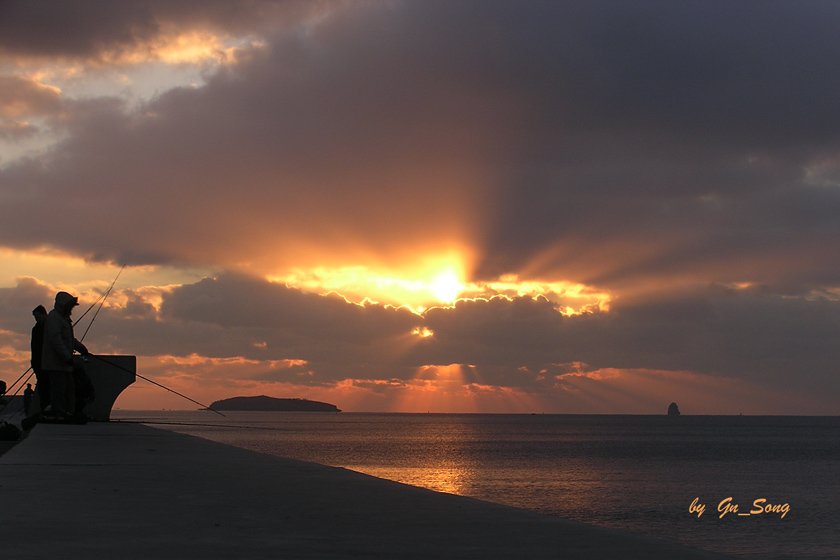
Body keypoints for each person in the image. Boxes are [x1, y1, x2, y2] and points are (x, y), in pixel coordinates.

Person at [41, 292, 89, 421]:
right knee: (59, 389)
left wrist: (81, 348)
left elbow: (69, 339)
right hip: (56, 363)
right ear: (63, 305)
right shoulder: (54, 318)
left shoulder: (63, 318)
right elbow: (55, 340)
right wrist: (66, 357)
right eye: (70, 306)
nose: (71, 309)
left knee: (69, 389)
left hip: (64, 363)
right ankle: (59, 413)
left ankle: (68, 413)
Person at [31, 304, 49, 411]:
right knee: (43, 388)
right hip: (38, 363)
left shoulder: (50, 327)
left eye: (38, 317)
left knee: (47, 388)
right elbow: (34, 347)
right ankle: (44, 409)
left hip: (48, 362)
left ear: (44, 314)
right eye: (35, 318)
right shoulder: (36, 329)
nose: (37, 320)